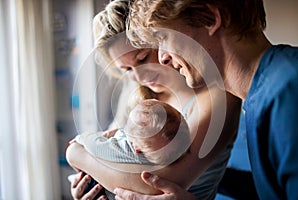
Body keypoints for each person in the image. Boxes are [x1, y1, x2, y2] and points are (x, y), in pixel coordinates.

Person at [66, 0, 241, 199]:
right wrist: (90, 183)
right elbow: (110, 152)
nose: (139, 77)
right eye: (127, 69)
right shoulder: (137, 94)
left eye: (142, 58)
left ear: (162, 40)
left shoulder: (218, 97)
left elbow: (156, 185)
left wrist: (76, 153)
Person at [125, 0, 298, 199]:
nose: (163, 57)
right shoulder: (263, 94)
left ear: (210, 19)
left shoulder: (289, 91)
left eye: (164, 37)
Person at [69, 97, 190, 199]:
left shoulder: (125, 150)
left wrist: (83, 138)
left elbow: (96, 146)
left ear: (135, 147)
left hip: (102, 190)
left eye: (128, 125)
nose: (124, 127)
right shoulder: (157, 148)